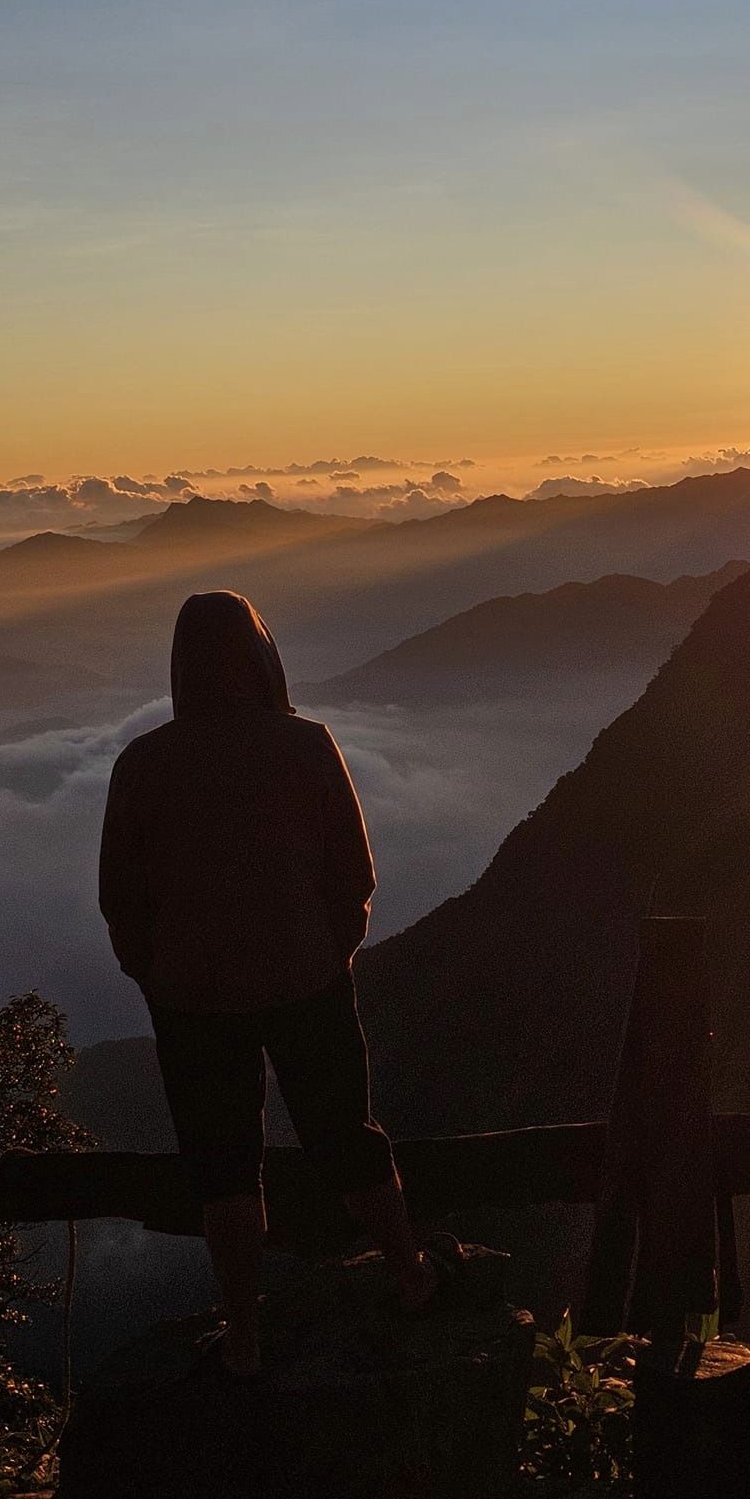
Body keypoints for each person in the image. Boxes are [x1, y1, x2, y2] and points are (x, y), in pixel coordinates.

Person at [98, 589, 437, 1376]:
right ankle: (411, 1273)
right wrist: (329, 953)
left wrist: (155, 971)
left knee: (221, 1162)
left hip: (190, 993)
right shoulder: (306, 744)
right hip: (304, 977)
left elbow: (121, 896)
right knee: (344, 1134)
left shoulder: (142, 762)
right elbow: (352, 873)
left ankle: (243, 1338)